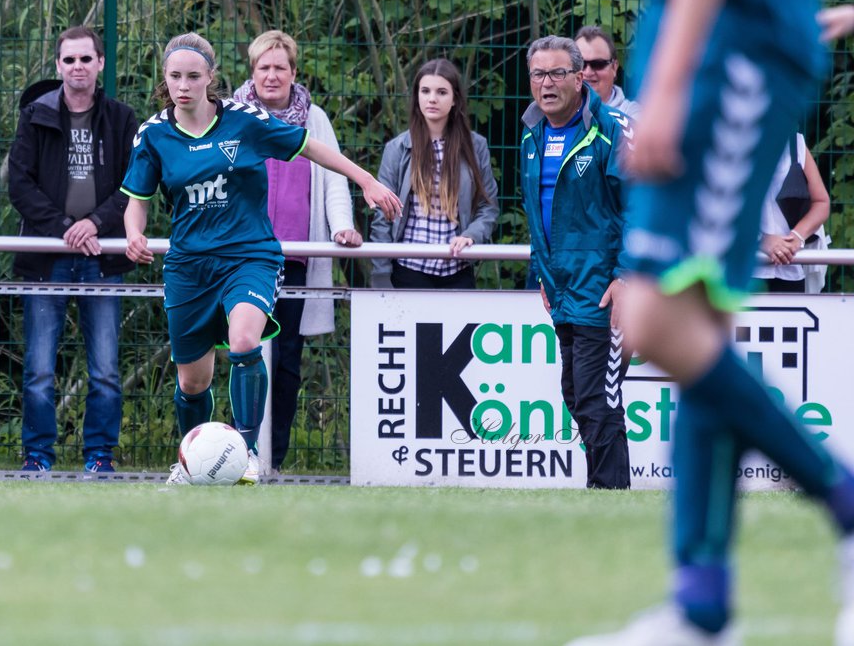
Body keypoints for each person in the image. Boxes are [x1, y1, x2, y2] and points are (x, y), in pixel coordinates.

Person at [566, 0, 854, 644]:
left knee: (654, 316)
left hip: (722, 46)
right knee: (696, 326)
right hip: (728, 33)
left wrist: (675, 73)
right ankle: (701, 606)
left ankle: (841, 501)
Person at [121, 32, 401, 485]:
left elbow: (309, 145)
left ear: (211, 78)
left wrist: (364, 178)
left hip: (249, 256)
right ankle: (194, 463)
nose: (184, 85)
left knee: (246, 342)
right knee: (193, 382)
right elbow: (137, 198)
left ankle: (247, 453)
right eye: (175, 76)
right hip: (189, 267)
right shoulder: (153, 134)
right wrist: (134, 234)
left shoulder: (243, 120)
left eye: (194, 76)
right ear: (166, 79)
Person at [229, 30, 362, 473]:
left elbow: (334, 180)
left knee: (285, 360)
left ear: (293, 72)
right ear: (253, 72)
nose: (271, 75)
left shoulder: (314, 119)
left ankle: (273, 459)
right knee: (240, 353)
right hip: (241, 257)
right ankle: (234, 454)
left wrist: (342, 228)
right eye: (263, 67)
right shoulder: (231, 116)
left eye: (279, 67)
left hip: (295, 258)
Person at [8, 26, 137, 474]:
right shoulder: (35, 115)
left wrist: (94, 224)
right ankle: (38, 458)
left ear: (101, 63)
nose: (78, 67)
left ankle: (100, 457)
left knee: (104, 368)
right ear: (57, 65)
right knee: (40, 368)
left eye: (86, 59)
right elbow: (19, 185)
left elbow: (135, 186)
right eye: (69, 60)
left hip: (104, 257)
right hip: (48, 256)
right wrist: (66, 228)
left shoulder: (123, 119)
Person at [520, 36, 631, 491]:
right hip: (561, 290)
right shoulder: (531, 131)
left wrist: (627, 275)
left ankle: (609, 496)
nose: (547, 84)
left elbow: (643, 206)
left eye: (557, 73)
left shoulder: (612, 131)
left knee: (596, 397)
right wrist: (541, 272)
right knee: (576, 394)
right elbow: (535, 210)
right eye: (538, 74)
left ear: (580, 76)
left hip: (604, 289)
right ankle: (606, 493)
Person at [370, 58, 499, 291]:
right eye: (425, 91)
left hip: (458, 270)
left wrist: (472, 234)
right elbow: (382, 215)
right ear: (417, 96)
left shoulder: (475, 146)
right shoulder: (397, 148)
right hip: (408, 270)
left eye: (441, 92)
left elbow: (488, 207)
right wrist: (381, 272)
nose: (432, 99)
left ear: (455, 100)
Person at [754, 133, 829, 293]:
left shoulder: (795, 143)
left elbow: (821, 202)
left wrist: (796, 238)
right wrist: (761, 241)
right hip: (741, 270)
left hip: (790, 268)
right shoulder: (723, 143)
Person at [575, 26, 641, 119]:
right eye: (581, 64)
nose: (588, 72)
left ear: (614, 67)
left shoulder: (632, 115)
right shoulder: (556, 112)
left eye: (598, 64)